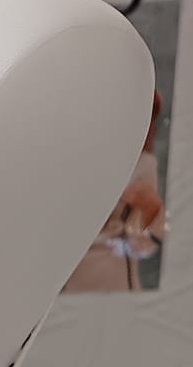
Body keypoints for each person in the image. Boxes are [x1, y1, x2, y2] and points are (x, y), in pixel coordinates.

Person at [63, 86, 167, 292]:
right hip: (62, 291)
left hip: (112, 293)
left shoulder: (137, 166)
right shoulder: (65, 163)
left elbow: (146, 238)